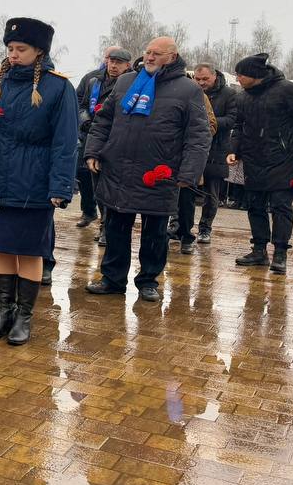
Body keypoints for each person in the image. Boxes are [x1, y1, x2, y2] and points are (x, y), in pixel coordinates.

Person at [0, 18, 77, 344]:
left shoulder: (58, 88)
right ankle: (4, 311)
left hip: (34, 183)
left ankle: (24, 316)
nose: (13, 54)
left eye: (21, 49)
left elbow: (65, 141)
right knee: (2, 249)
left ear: (39, 51)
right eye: (10, 48)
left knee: (29, 252)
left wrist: (60, 187)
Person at [84, 37, 210, 303]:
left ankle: (148, 280)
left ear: (172, 57)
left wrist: (189, 173)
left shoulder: (188, 90)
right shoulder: (126, 82)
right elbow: (104, 119)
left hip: (159, 174)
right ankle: (112, 279)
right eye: (148, 52)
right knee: (116, 228)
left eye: (157, 54)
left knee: (155, 233)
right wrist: (93, 151)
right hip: (119, 168)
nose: (150, 58)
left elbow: (198, 136)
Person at [227, 53, 293, 273]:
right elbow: (238, 126)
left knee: (280, 206)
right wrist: (233, 150)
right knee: (255, 205)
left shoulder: (288, 89)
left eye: (241, 74)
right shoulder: (243, 97)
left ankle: (280, 253)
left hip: (283, 159)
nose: (238, 78)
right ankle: (259, 250)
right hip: (253, 159)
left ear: (254, 74)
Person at [74, 47, 133, 230]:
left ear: (127, 65)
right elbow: (80, 102)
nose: (113, 66)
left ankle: (107, 225)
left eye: (118, 62)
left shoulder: (131, 82)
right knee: (90, 177)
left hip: (116, 138)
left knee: (109, 183)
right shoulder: (93, 79)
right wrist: (85, 122)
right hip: (91, 134)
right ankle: (92, 213)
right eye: (111, 61)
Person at [185, 63, 236, 244]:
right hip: (191, 148)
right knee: (185, 190)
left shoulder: (229, 94)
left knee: (211, 194)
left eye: (205, 79)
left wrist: (205, 122)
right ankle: (181, 226)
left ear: (215, 76)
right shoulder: (189, 90)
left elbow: (232, 119)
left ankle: (205, 228)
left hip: (217, 149)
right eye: (197, 79)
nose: (201, 83)